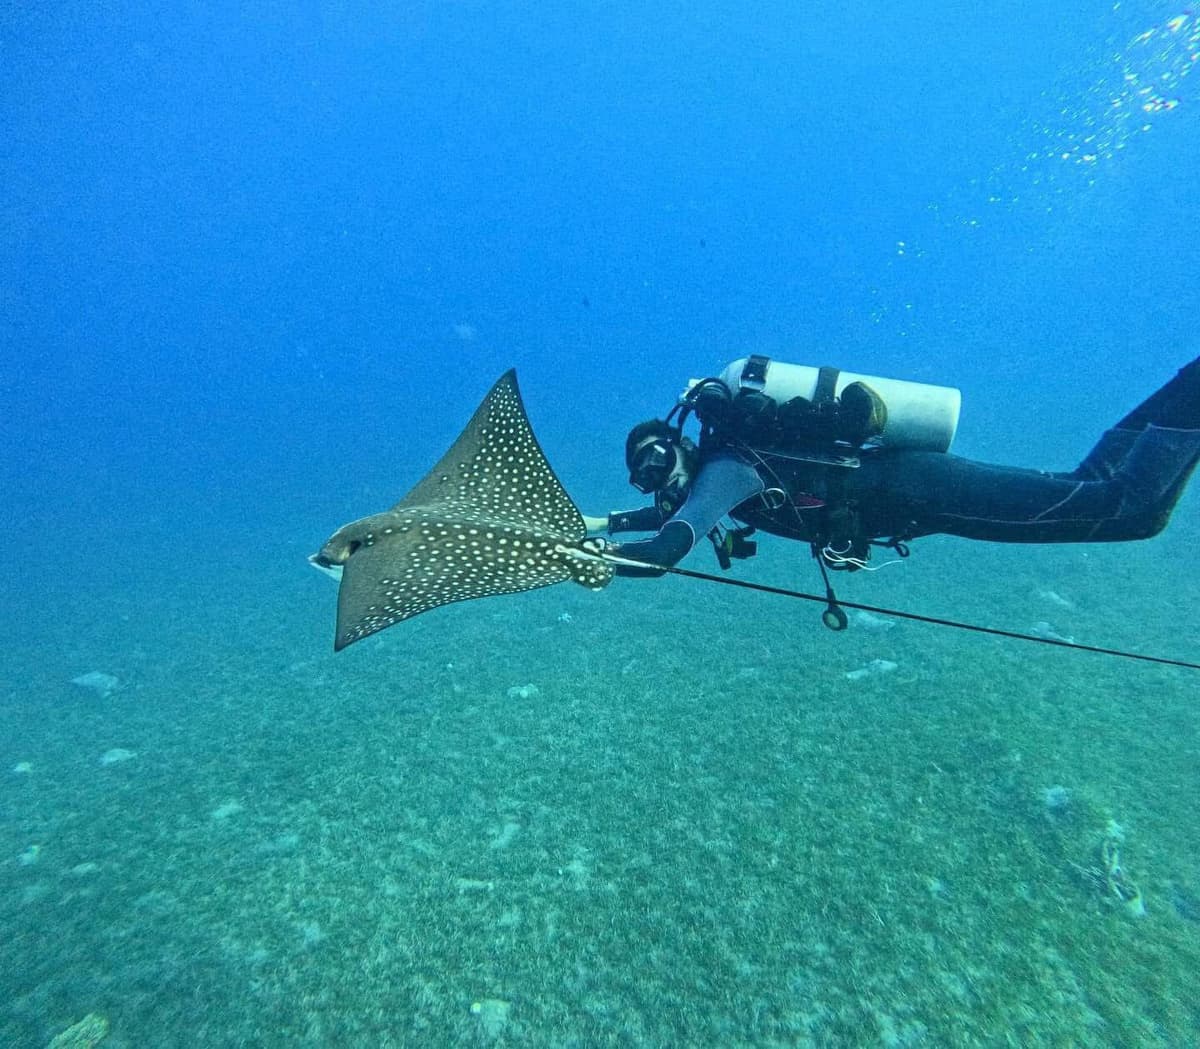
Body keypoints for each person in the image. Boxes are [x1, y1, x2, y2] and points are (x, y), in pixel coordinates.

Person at [585, 355, 1200, 585]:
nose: (654, 481)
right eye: (642, 474)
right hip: (912, 488)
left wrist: (585, 559)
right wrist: (596, 524)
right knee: (1084, 487)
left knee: (1128, 511)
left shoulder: (725, 472)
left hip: (919, 489)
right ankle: (1184, 390)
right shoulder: (717, 476)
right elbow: (662, 516)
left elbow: (669, 546)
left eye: (655, 462)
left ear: (682, 447)